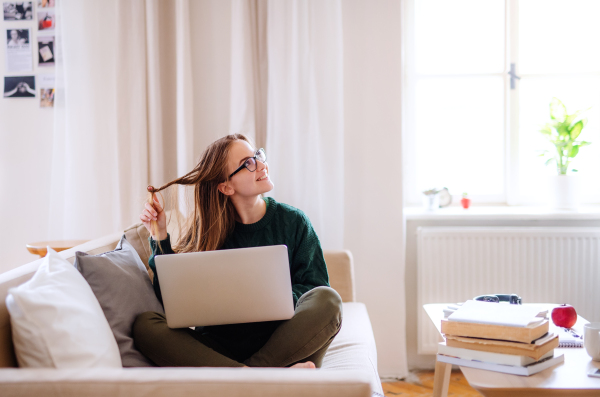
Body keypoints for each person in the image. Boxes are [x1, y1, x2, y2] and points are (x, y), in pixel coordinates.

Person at [133, 134, 342, 369]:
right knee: (145, 325)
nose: (261, 164)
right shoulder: (204, 232)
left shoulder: (294, 222)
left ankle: (245, 377)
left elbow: (315, 288)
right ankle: (265, 376)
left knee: (329, 301)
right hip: (220, 349)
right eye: (248, 163)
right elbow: (171, 303)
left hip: (282, 343)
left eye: (258, 155)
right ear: (225, 186)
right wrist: (159, 234)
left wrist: (272, 300)